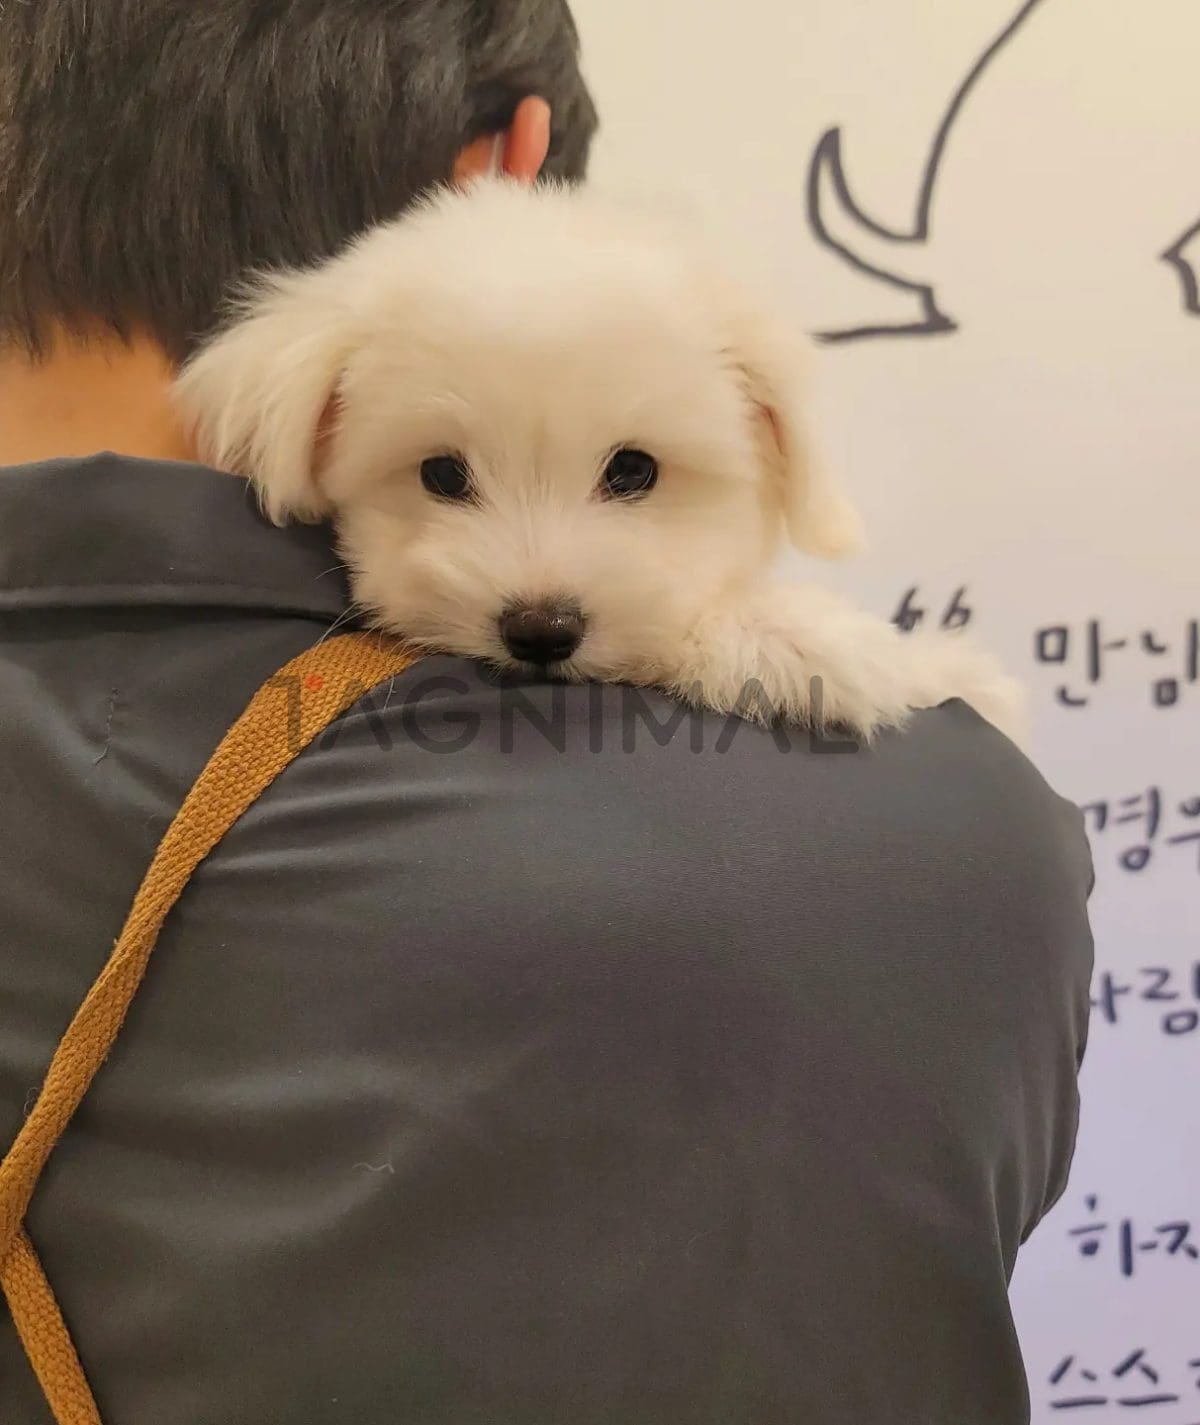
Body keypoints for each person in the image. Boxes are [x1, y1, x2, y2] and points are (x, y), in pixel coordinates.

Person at [0, 3, 1093, 1421]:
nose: (536, 596)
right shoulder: (935, 834)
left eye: (627, 476)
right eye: (445, 478)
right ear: (506, 163)